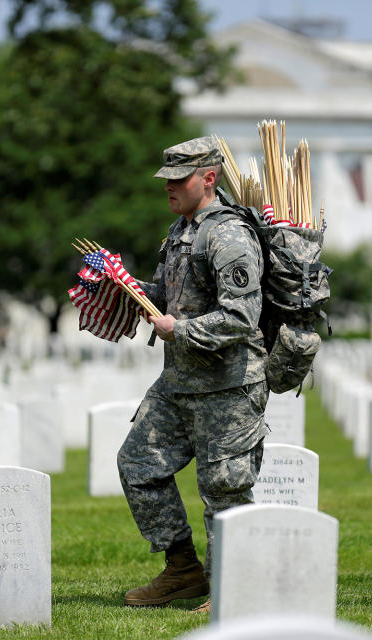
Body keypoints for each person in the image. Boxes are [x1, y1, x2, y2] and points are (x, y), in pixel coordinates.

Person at [117, 137, 269, 612]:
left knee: (224, 490)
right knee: (138, 464)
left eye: (178, 179)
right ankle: (183, 570)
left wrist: (178, 329)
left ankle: (232, 587)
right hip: (180, 382)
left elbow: (242, 317)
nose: (169, 188)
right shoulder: (180, 232)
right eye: (166, 180)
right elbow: (166, 293)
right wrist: (128, 288)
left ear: (209, 178)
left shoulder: (228, 236)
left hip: (228, 386)